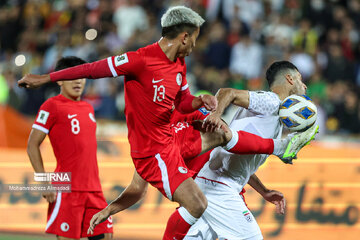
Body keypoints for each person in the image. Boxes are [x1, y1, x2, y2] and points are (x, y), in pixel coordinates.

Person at [19, 7, 313, 239]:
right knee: (198, 202)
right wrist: (45, 78)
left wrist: (198, 102)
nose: (196, 45)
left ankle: (277, 147)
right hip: (78, 181)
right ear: (185, 36)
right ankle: (280, 147)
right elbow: (93, 70)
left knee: (223, 135)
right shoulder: (135, 63)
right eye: (195, 37)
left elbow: (183, 102)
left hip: (98, 183)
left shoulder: (91, 108)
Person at [185, 61, 317, 239]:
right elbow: (227, 92)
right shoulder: (272, 101)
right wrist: (215, 115)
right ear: (290, 79)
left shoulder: (276, 118)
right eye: (301, 79)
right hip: (218, 186)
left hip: (216, 183)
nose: (305, 85)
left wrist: (264, 191)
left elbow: (238, 162)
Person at [26, 56, 113, 240]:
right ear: (58, 79)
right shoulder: (51, 106)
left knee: (106, 236)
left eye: (81, 76)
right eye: (72, 76)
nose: (78, 81)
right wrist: (43, 181)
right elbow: (32, 144)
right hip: (66, 188)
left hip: (94, 189)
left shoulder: (88, 108)